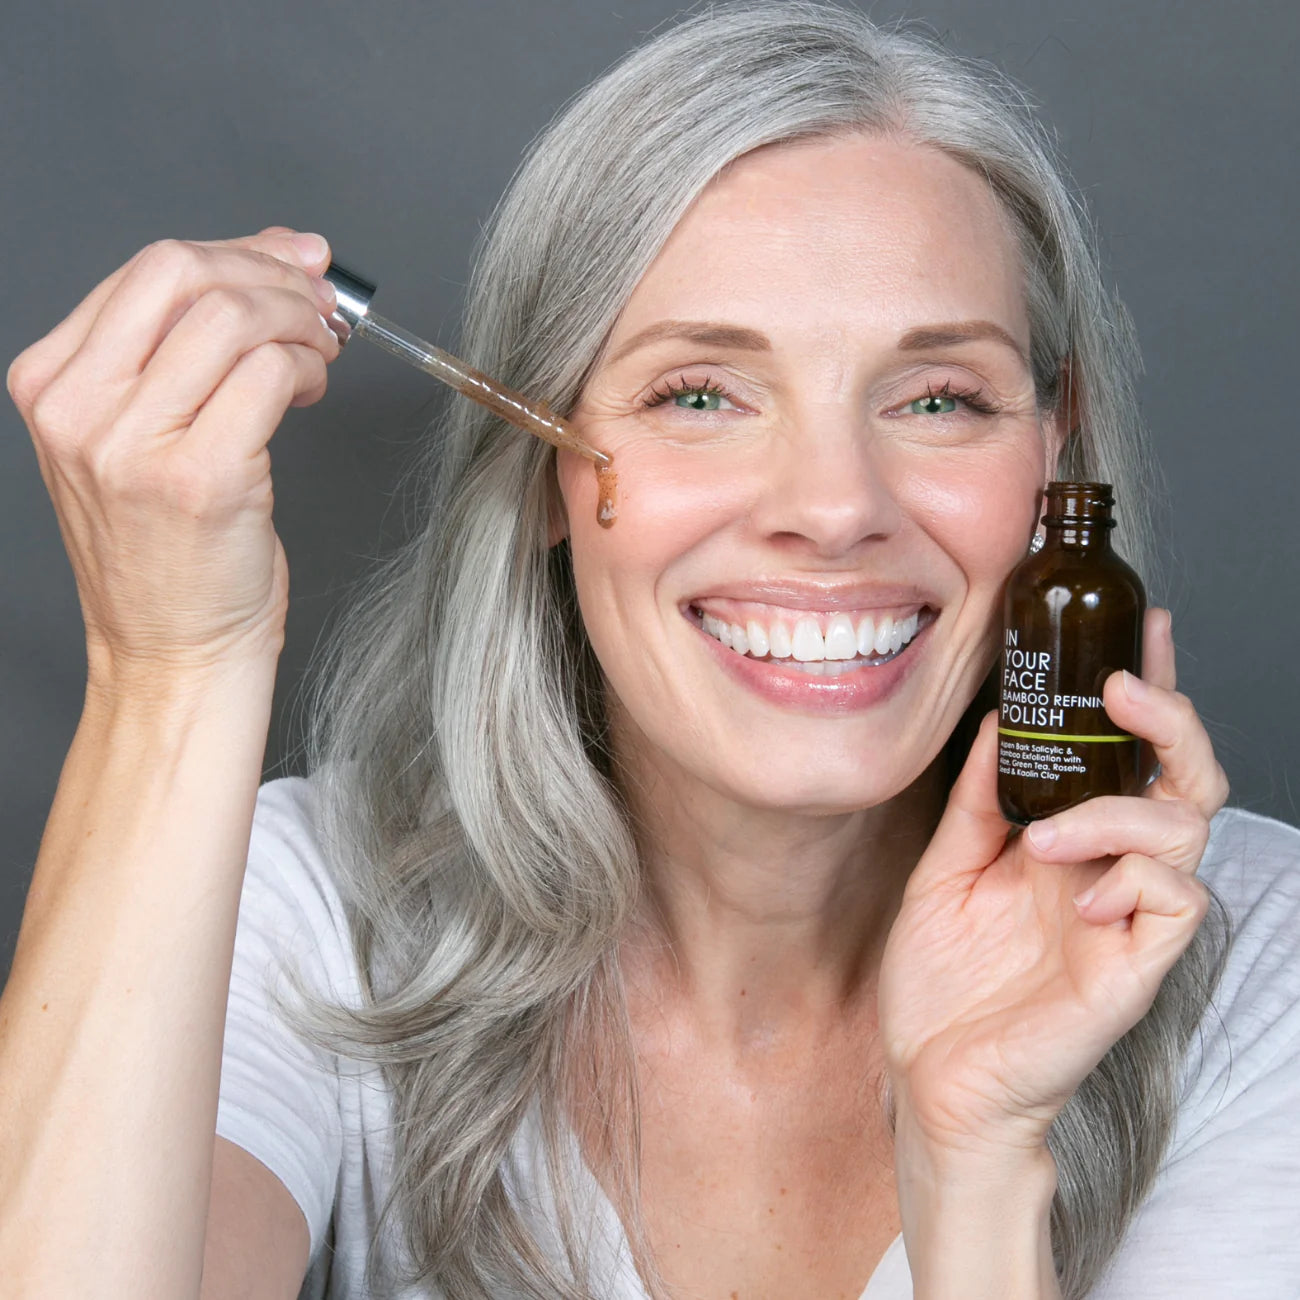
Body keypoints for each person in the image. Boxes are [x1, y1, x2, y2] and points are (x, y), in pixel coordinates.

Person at [3, 4, 1298, 1298]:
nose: (836, 504)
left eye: (939, 398)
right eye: (700, 394)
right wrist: (170, 669)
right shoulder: (302, 915)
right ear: (537, 470)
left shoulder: (1262, 970)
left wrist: (976, 1169)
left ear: (1054, 452)